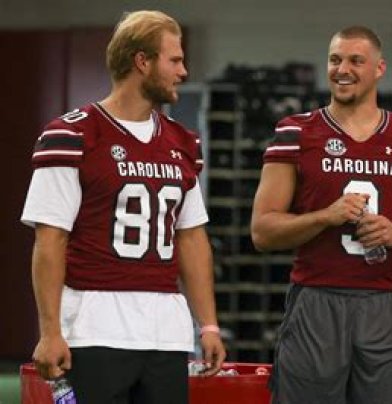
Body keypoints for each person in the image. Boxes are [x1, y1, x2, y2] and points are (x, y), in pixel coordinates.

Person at [21, 10, 225, 403]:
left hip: (166, 331)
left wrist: (209, 325)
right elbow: (50, 239)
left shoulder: (183, 142)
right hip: (94, 327)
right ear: (142, 61)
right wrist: (50, 331)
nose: (183, 72)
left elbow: (191, 237)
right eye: (174, 60)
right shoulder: (71, 134)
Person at [251, 25, 392, 404]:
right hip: (316, 299)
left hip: (384, 301)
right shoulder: (295, 132)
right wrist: (324, 217)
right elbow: (262, 231)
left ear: (379, 68)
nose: (343, 69)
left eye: (356, 61)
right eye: (335, 60)